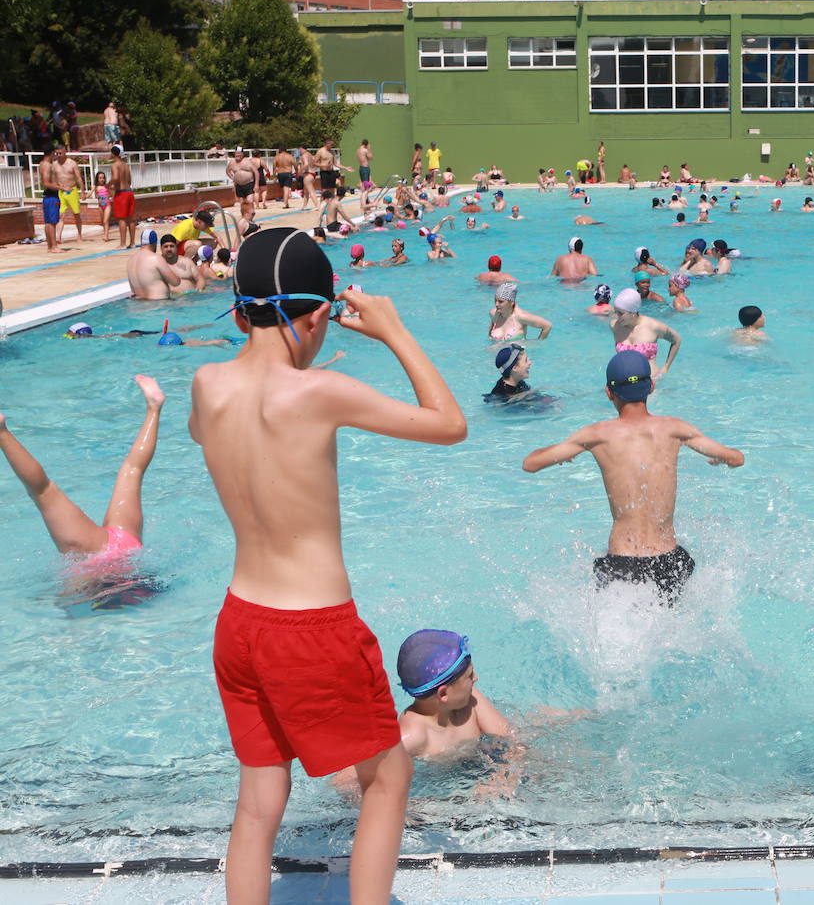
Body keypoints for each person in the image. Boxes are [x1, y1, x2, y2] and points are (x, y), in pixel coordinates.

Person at [191, 227, 466, 905]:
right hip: (312, 630)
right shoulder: (319, 393)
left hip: (240, 625)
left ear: (237, 312)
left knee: (260, 800)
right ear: (316, 317)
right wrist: (394, 332)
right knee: (388, 779)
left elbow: (208, 432)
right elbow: (448, 423)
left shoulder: (206, 385)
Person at [522, 351, 743, 604]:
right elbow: (736, 458)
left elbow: (530, 464)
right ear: (651, 386)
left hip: (622, 562)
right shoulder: (675, 428)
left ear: (609, 392)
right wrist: (721, 459)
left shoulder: (596, 435)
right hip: (669, 559)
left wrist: (562, 454)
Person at [1, 375, 163, 571]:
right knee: (43, 491)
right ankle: (2, 434)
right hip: (113, 550)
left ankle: (154, 409)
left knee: (132, 471)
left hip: (118, 547)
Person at [394, 630, 512, 756]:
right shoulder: (413, 736)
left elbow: (510, 740)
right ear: (443, 694)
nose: (475, 678)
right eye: (469, 676)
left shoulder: (470, 700)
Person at [609, 289, 682, 379]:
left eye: (621, 313)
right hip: (625, 383)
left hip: (651, 382)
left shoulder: (653, 326)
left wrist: (666, 368)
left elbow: (677, 340)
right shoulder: (614, 326)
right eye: (616, 312)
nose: (617, 316)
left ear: (633, 312)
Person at [127, 230, 187, 300]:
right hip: (159, 304)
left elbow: (133, 290)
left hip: (139, 303)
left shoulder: (131, 261)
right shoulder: (156, 258)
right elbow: (175, 282)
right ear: (154, 243)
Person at [488, 283, 552, 341]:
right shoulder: (493, 314)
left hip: (518, 354)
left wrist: (537, 343)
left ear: (511, 302)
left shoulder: (521, 317)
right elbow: (490, 335)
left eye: (500, 301)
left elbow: (547, 326)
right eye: (495, 300)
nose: (496, 304)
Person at [51, 146, 85, 246]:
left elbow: (78, 178)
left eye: (60, 153)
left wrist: (82, 192)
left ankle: (79, 235)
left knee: (76, 214)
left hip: (72, 190)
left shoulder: (72, 163)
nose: (58, 155)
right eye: (57, 153)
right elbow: (53, 179)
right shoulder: (54, 164)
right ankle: (59, 237)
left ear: (65, 152)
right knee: (61, 215)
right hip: (61, 191)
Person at [109, 146, 136, 249]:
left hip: (121, 194)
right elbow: (129, 180)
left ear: (113, 153)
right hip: (129, 192)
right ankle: (132, 243)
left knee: (122, 219)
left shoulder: (115, 165)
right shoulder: (126, 165)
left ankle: (123, 244)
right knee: (131, 218)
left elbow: (115, 177)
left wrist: (109, 185)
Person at [94, 170, 113, 242]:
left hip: (107, 205)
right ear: (97, 179)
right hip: (100, 206)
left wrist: (110, 194)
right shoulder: (96, 187)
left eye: (103, 178)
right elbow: (89, 194)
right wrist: (83, 197)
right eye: (100, 178)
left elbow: (111, 194)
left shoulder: (107, 186)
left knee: (106, 221)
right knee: (103, 221)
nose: (102, 179)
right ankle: (106, 232)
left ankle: (106, 236)